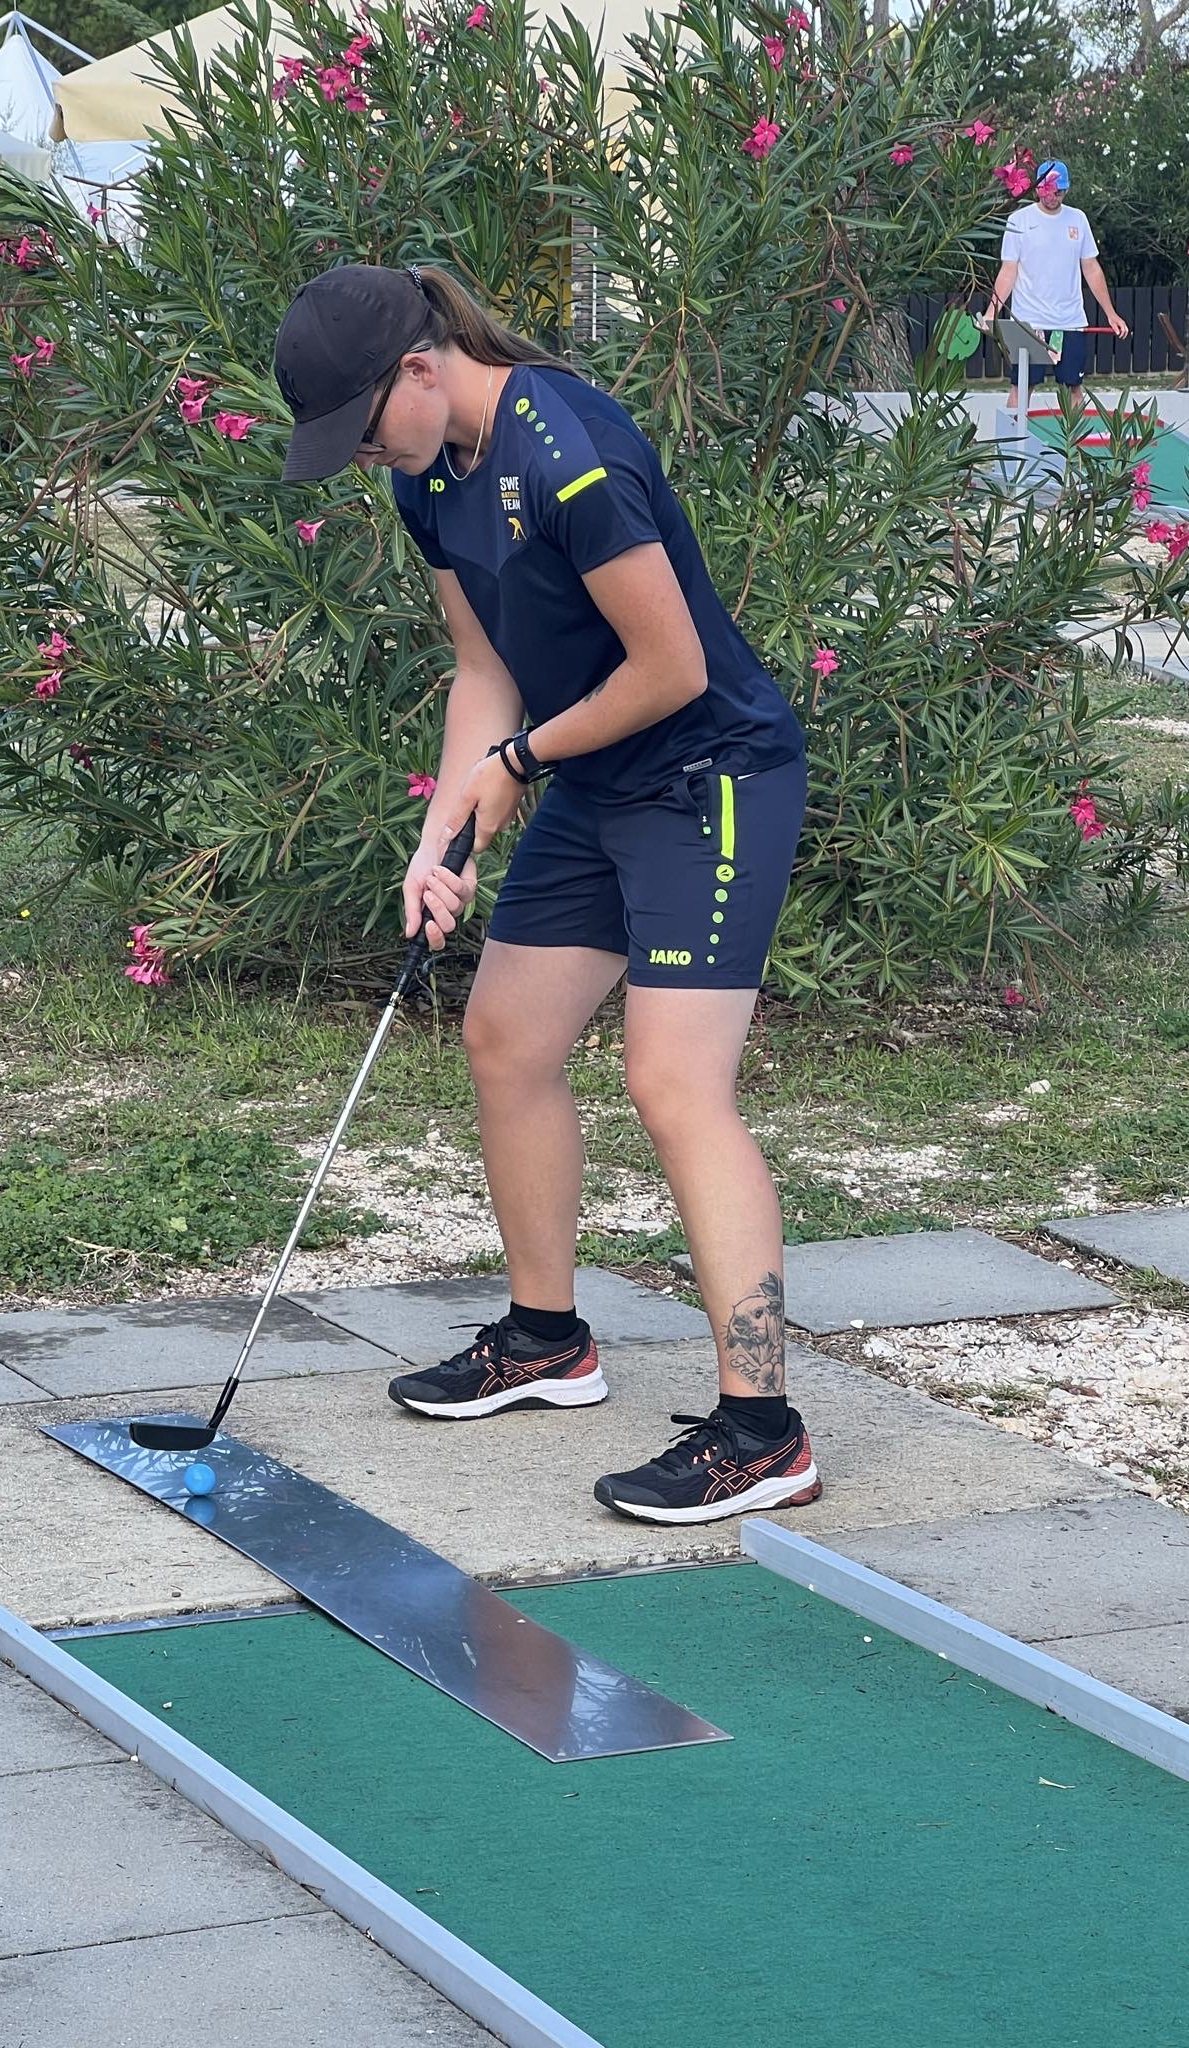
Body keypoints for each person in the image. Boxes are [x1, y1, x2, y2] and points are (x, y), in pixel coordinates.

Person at [273, 262, 821, 1525]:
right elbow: (485, 668)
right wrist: (444, 832)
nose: (364, 458)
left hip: (711, 776)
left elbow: (671, 668)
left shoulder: (570, 453)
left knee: (673, 1082)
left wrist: (517, 766)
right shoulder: (429, 475)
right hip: (594, 771)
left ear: (419, 369)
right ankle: (546, 1340)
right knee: (505, 1037)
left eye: (363, 429)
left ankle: (763, 1430)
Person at [982, 159, 1129, 409]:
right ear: (1037, 188)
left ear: (1067, 190)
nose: (1052, 196)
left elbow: (1091, 268)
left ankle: (1074, 435)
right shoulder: (1019, 220)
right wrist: (991, 313)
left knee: (1074, 386)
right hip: (1030, 322)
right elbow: (1008, 271)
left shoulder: (1078, 219)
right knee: (1022, 386)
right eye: (1047, 190)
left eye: (1059, 191)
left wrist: (1111, 313)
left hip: (1070, 320)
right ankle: (1013, 435)